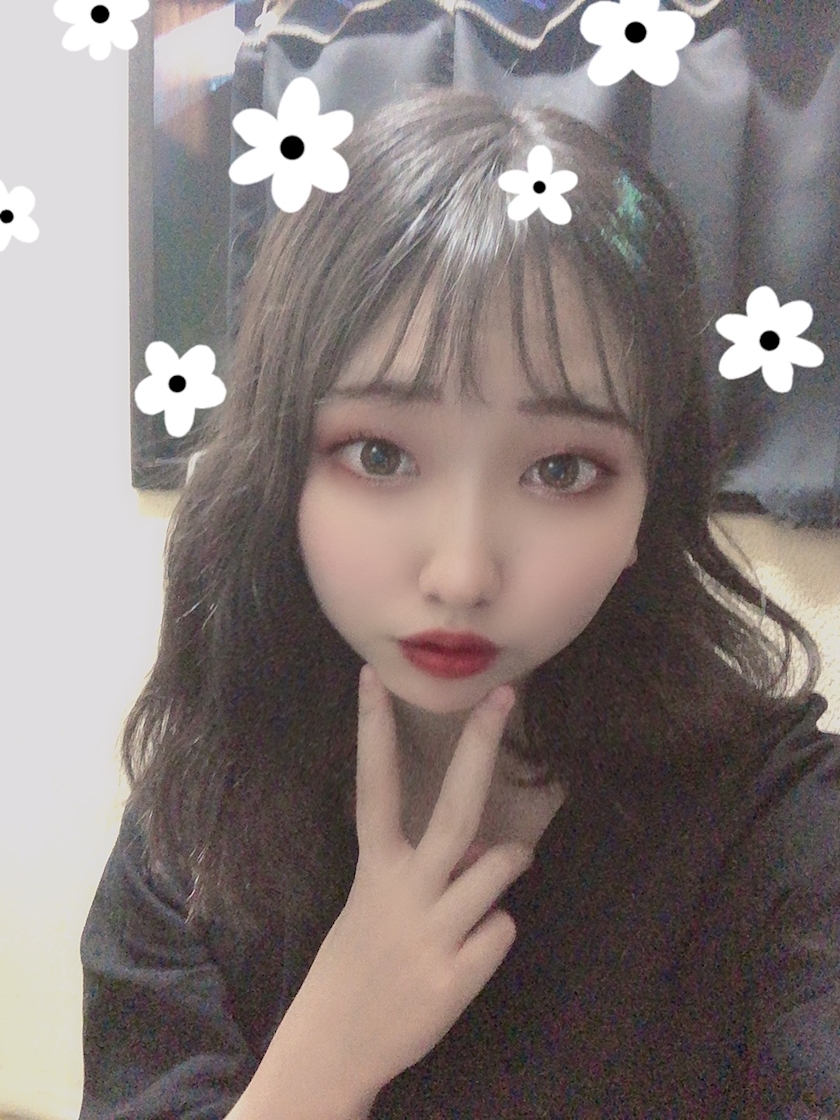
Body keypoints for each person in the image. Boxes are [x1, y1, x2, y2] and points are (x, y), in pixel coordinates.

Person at [78, 89, 839, 1119]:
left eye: (562, 469)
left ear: (650, 503)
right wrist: (328, 1053)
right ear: (281, 472)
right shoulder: (200, 824)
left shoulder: (783, 831)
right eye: (380, 454)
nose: (463, 571)